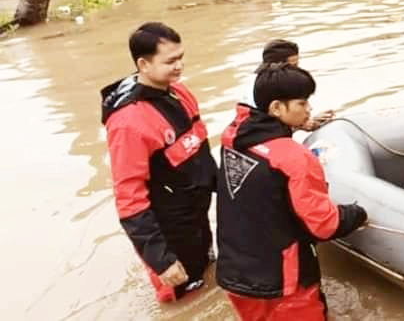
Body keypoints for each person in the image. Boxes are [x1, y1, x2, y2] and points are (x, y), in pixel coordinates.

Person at [216, 64, 368, 321]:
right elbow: (323, 225)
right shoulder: (295, 158)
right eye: (302, 103)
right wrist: (356, 214)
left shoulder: (232, 137)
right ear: (276, 108)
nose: (308, 109)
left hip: (235, 273)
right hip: (285, 281)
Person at [101, 22, 216, 303]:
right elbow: (129, 198)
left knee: (207, 274)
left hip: (195, 214)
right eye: (171, 61)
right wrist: (160, 259)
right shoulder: (129, 123)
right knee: (183, 300)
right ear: (143, 64)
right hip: (169, 229)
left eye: (181, 57)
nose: (180, 66)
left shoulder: (179, 92)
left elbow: (200, 148)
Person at [240, 39, 334, 129]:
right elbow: (265, 125)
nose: (297, 70)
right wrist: (302, 125)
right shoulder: (261, 90)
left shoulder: (261, 80)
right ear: (279, 66)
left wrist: (304, 120)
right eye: (294, 66)